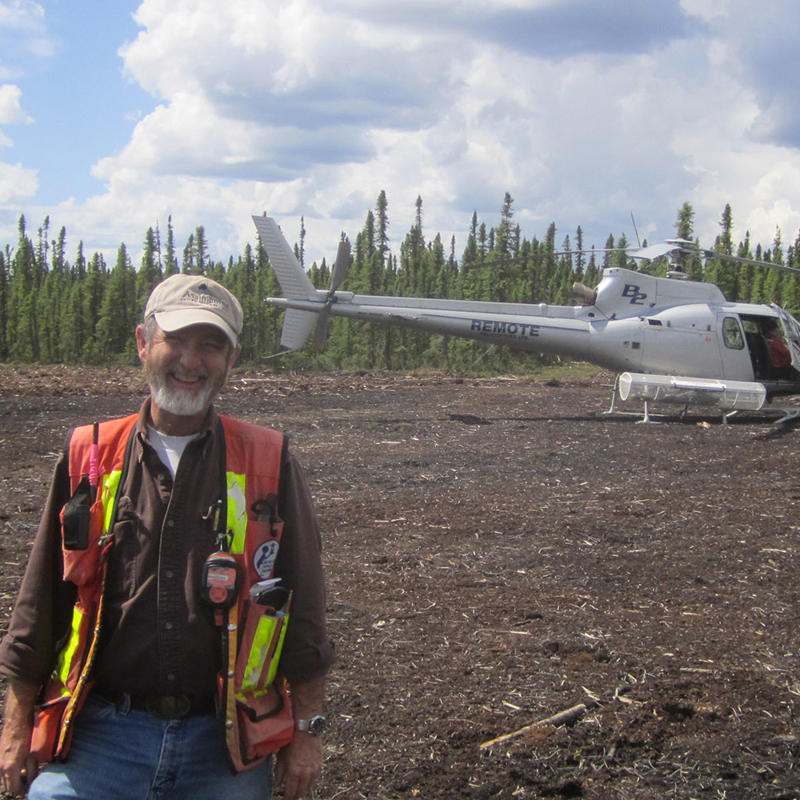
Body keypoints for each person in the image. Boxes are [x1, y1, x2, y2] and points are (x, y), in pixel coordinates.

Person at [0, 274, 334, 799]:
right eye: (175, 339)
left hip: (223, 744)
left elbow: (306, 610)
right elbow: (40, 600)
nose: (190, 360)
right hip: (101, 736)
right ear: (142, 343)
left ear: (232, 359)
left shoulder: (269, 461)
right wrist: (17, 724)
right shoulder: (89, 455)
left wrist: (308, 733)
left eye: (211, 345)